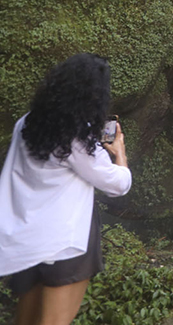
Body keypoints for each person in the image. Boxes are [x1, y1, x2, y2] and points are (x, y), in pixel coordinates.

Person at [0, 53, 132, 325]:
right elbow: (116, 184)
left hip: (26, 240)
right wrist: (119, 154)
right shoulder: (77, 134)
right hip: (65, 243)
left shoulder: (26, 123)